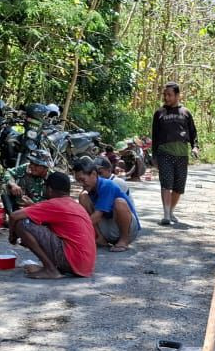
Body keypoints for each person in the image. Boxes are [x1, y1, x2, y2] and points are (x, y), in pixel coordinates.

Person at [7, 171, 96, 280]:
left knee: (22, 224)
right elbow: (49, 216)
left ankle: (50, 269)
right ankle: (52, 267)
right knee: (36, 224)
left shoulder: (54, 203)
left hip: (72, 259)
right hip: (85, 265)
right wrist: (33, 206)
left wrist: (12, 236)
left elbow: (14, 216)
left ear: (49, 189)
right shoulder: (74, 204)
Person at [151, 82, 198, 225]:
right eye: (165, 95)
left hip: (182, 154)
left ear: (177, 95)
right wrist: (154, 156)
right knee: (166, 184)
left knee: (179, 187)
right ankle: (165, 215)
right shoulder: (159, 113)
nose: (166, 97)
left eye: (169, 95)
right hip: (164, 153)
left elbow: (193, 133)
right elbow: (155, 136)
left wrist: (195, 147)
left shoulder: (186, 113)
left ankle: (171, 211)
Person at [74, 157, 140, 252]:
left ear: (93, 174)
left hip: (128, 229)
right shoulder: (90, 188)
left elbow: (97, 216)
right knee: (83, 197)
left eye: (82, 180)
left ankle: (124, 240)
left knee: (119, 202)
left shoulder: (107, 185)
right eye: (78, 181)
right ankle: (101, 238)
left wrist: (75, 229)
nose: (81, 184)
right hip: (109, 228)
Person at [1, 150, 52, 217]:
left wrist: (33, 205)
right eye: (31, 162)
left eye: (36, 165)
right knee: (6, 186)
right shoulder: (26, 167)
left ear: (46, 167)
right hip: (24, 204)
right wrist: (13, 184)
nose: (32, 166)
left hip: (42, 212)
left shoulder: (53, 178)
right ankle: (12, 214)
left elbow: (56, 205)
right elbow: (9, 173)